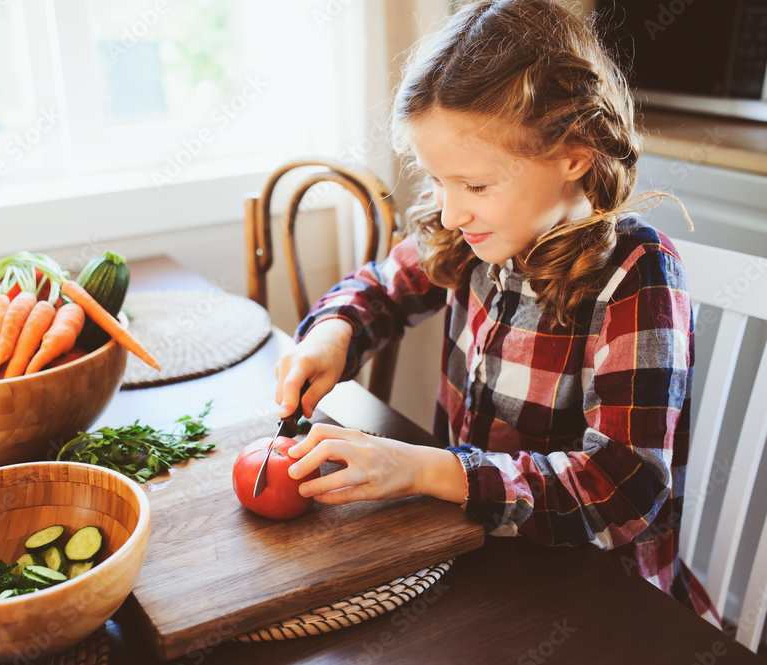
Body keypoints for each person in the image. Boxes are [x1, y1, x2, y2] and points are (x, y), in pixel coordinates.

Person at [275, 0, 719, 623]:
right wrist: (333, 333)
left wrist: (426, 471)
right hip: (482, 558)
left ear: (574, 154)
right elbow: (378, 287)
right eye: (438, 181)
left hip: (599, 603)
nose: (452, 212)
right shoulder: (471, 235)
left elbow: (622, 489)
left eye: (476, 186)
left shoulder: (637, 278)